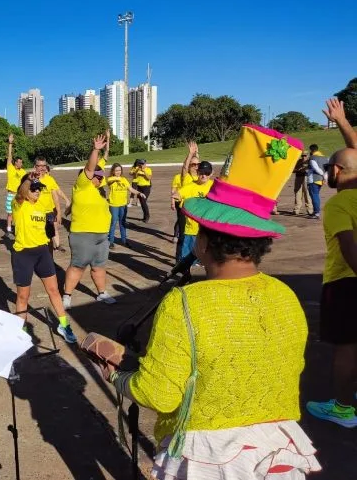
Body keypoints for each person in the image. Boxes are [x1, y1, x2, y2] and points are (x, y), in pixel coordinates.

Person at [95, 125, 320, 478]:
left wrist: (119, 378)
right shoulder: (286, 295)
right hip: (277, 452)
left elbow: (160, 395)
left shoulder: (185, 302)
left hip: (209, 456)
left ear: (204, 242)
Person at [306, 147, 357, 428]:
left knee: (346, 348)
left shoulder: (339, 204)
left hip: (345, 282)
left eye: (329, 169)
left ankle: (342, 409)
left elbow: (349, 247)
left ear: (336, 170)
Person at [11, 174, 78, 343]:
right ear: (25, 189)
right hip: (23, 254)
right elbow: (21, 191)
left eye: (39, 189)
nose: (37, 192)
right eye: (33, 189)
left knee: (54, 291)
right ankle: (22, 330)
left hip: (42, 253)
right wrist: (29, 180)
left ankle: (63, 325)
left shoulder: (41, 205)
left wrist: (53, 236)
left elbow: (47, 228)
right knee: (23, 297)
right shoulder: (18, 204)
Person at [62, 135, 116, 309]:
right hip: (83, 234)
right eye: (97, 176)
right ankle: (67, 295)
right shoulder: (82, 186)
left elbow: (101, 164)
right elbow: (91, 167)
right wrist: (96, 149)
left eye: (101, 177)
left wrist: (105, 151)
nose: (101, 178)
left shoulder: (100, 192)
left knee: (99, 267)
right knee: (78, 266)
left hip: (102, 236)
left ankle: (102, 293)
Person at [173, 161, 214, 262]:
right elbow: (179, 193)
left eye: (207, 173)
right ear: (198, 173)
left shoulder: (214, 186)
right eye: (201, 173)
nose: (204, 175)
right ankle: (185, 274)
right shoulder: (190, 186)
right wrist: (176, 196)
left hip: (209, 230)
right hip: (192, 229)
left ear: (211, 173)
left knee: (209, 260)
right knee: (187, 259)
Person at [171, 142, 201, 255]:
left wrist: (197, 153)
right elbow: (184, 166)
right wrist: (190, 154)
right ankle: (179, 260)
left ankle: (193, 258)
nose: (196, 166)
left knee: (197, 236)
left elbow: (200, 165)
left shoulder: (200, 177)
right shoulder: (186, 176)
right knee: (183, 236)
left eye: (197, 165)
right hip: (185, 210)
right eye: (193, 165)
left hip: (197, 210)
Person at [107, 163, 144, 248]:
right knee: (113, 222)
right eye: (116, 170)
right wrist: (116, 179)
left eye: (119, 170)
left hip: (123, 205)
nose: (118, 172)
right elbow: (109, 181)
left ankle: (124, 241)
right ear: (113, 171)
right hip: (114, 205)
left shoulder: (124, 179)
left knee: (122, 223)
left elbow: (130, 189)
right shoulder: (110, 179)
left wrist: (139, 193)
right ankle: (111, 242)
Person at [34, 156, 66, 253]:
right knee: (38, 238)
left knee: (50, 237)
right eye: (40, 166)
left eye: (44, 166)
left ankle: (49, 260)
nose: (42, 168)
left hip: (49, 213)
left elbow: (55, 196)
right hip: (35, 213)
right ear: (35, 166)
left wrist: (59, 212)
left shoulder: (50, 179)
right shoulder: (31, 179)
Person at [4, 133, 26, 239]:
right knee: (10, 213)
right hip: (10, 194)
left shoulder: (23, 172)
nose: (21, 164)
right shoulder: (11, 168)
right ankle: (8, 230)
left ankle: (18, 228)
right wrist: (10, 143)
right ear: (15, 163)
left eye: (22, 162)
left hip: (19, 195)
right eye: (19, 162)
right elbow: (9, 156)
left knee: (19, 213)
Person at [307, 144, 328, 220]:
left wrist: (322, 174)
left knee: (314, 196)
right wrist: (325, 177)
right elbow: (327, 169)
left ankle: (316, 213)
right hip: (321, 180)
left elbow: (316, 168)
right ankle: (316, 212)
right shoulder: (325, 157)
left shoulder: (313, 157)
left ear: (312, 150)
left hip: (314, 179)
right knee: (316, 195)